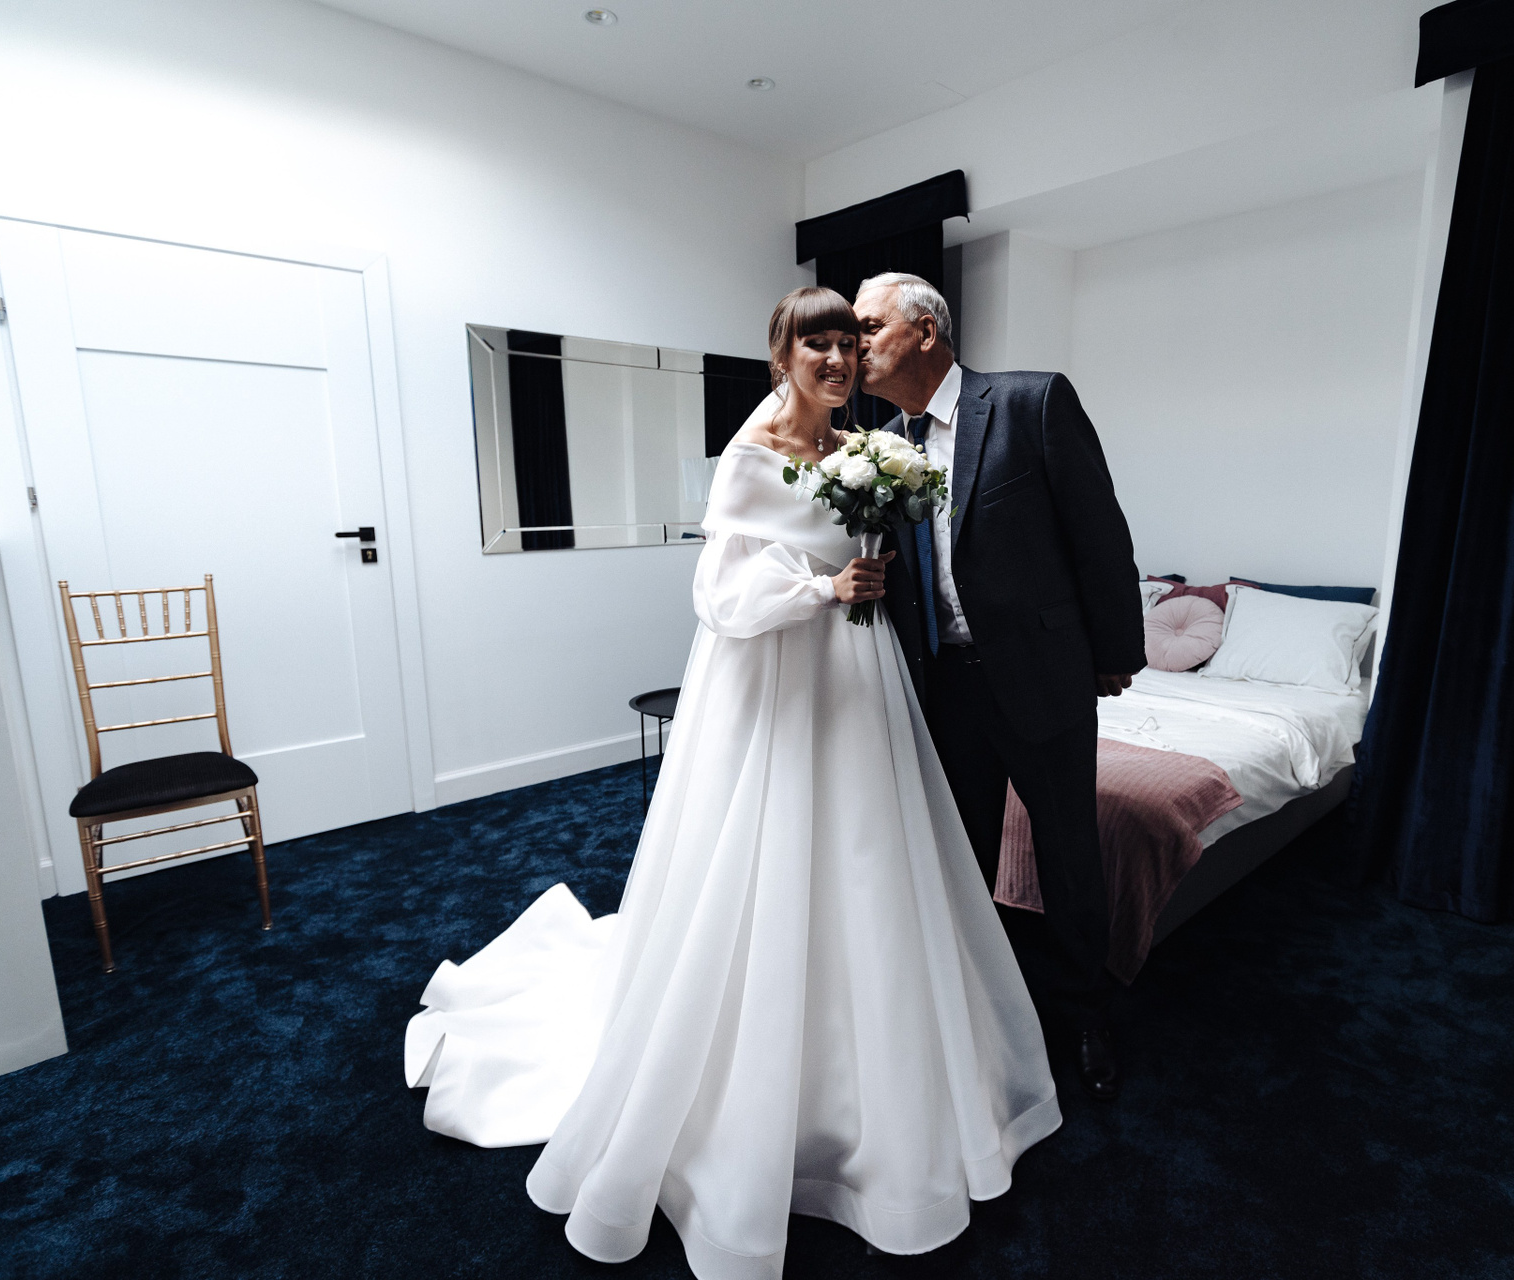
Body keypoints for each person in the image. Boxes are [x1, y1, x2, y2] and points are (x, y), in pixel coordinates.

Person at [403, 286, 1060, 1279]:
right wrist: (822, 587)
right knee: (770, 858)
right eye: (816, 344)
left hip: (861, 674)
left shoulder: (864, 447)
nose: (837, 359)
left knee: (871, 862)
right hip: (778, 681)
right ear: (781, 355)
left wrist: (862, 579)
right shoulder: (752, 455)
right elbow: (719, 595)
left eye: (847, 343)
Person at [852, 272, 1145, 1102]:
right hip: (945, 686)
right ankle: (973, 1006)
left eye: (870, 326)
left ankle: (1084, 1011)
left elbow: (1099, 533)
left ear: (926, 331)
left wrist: (1115, 651)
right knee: (960, 852)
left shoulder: (1031, 402)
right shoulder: (880, 446)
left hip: (1043, 676)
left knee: (1068, 853)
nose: (855, 343)